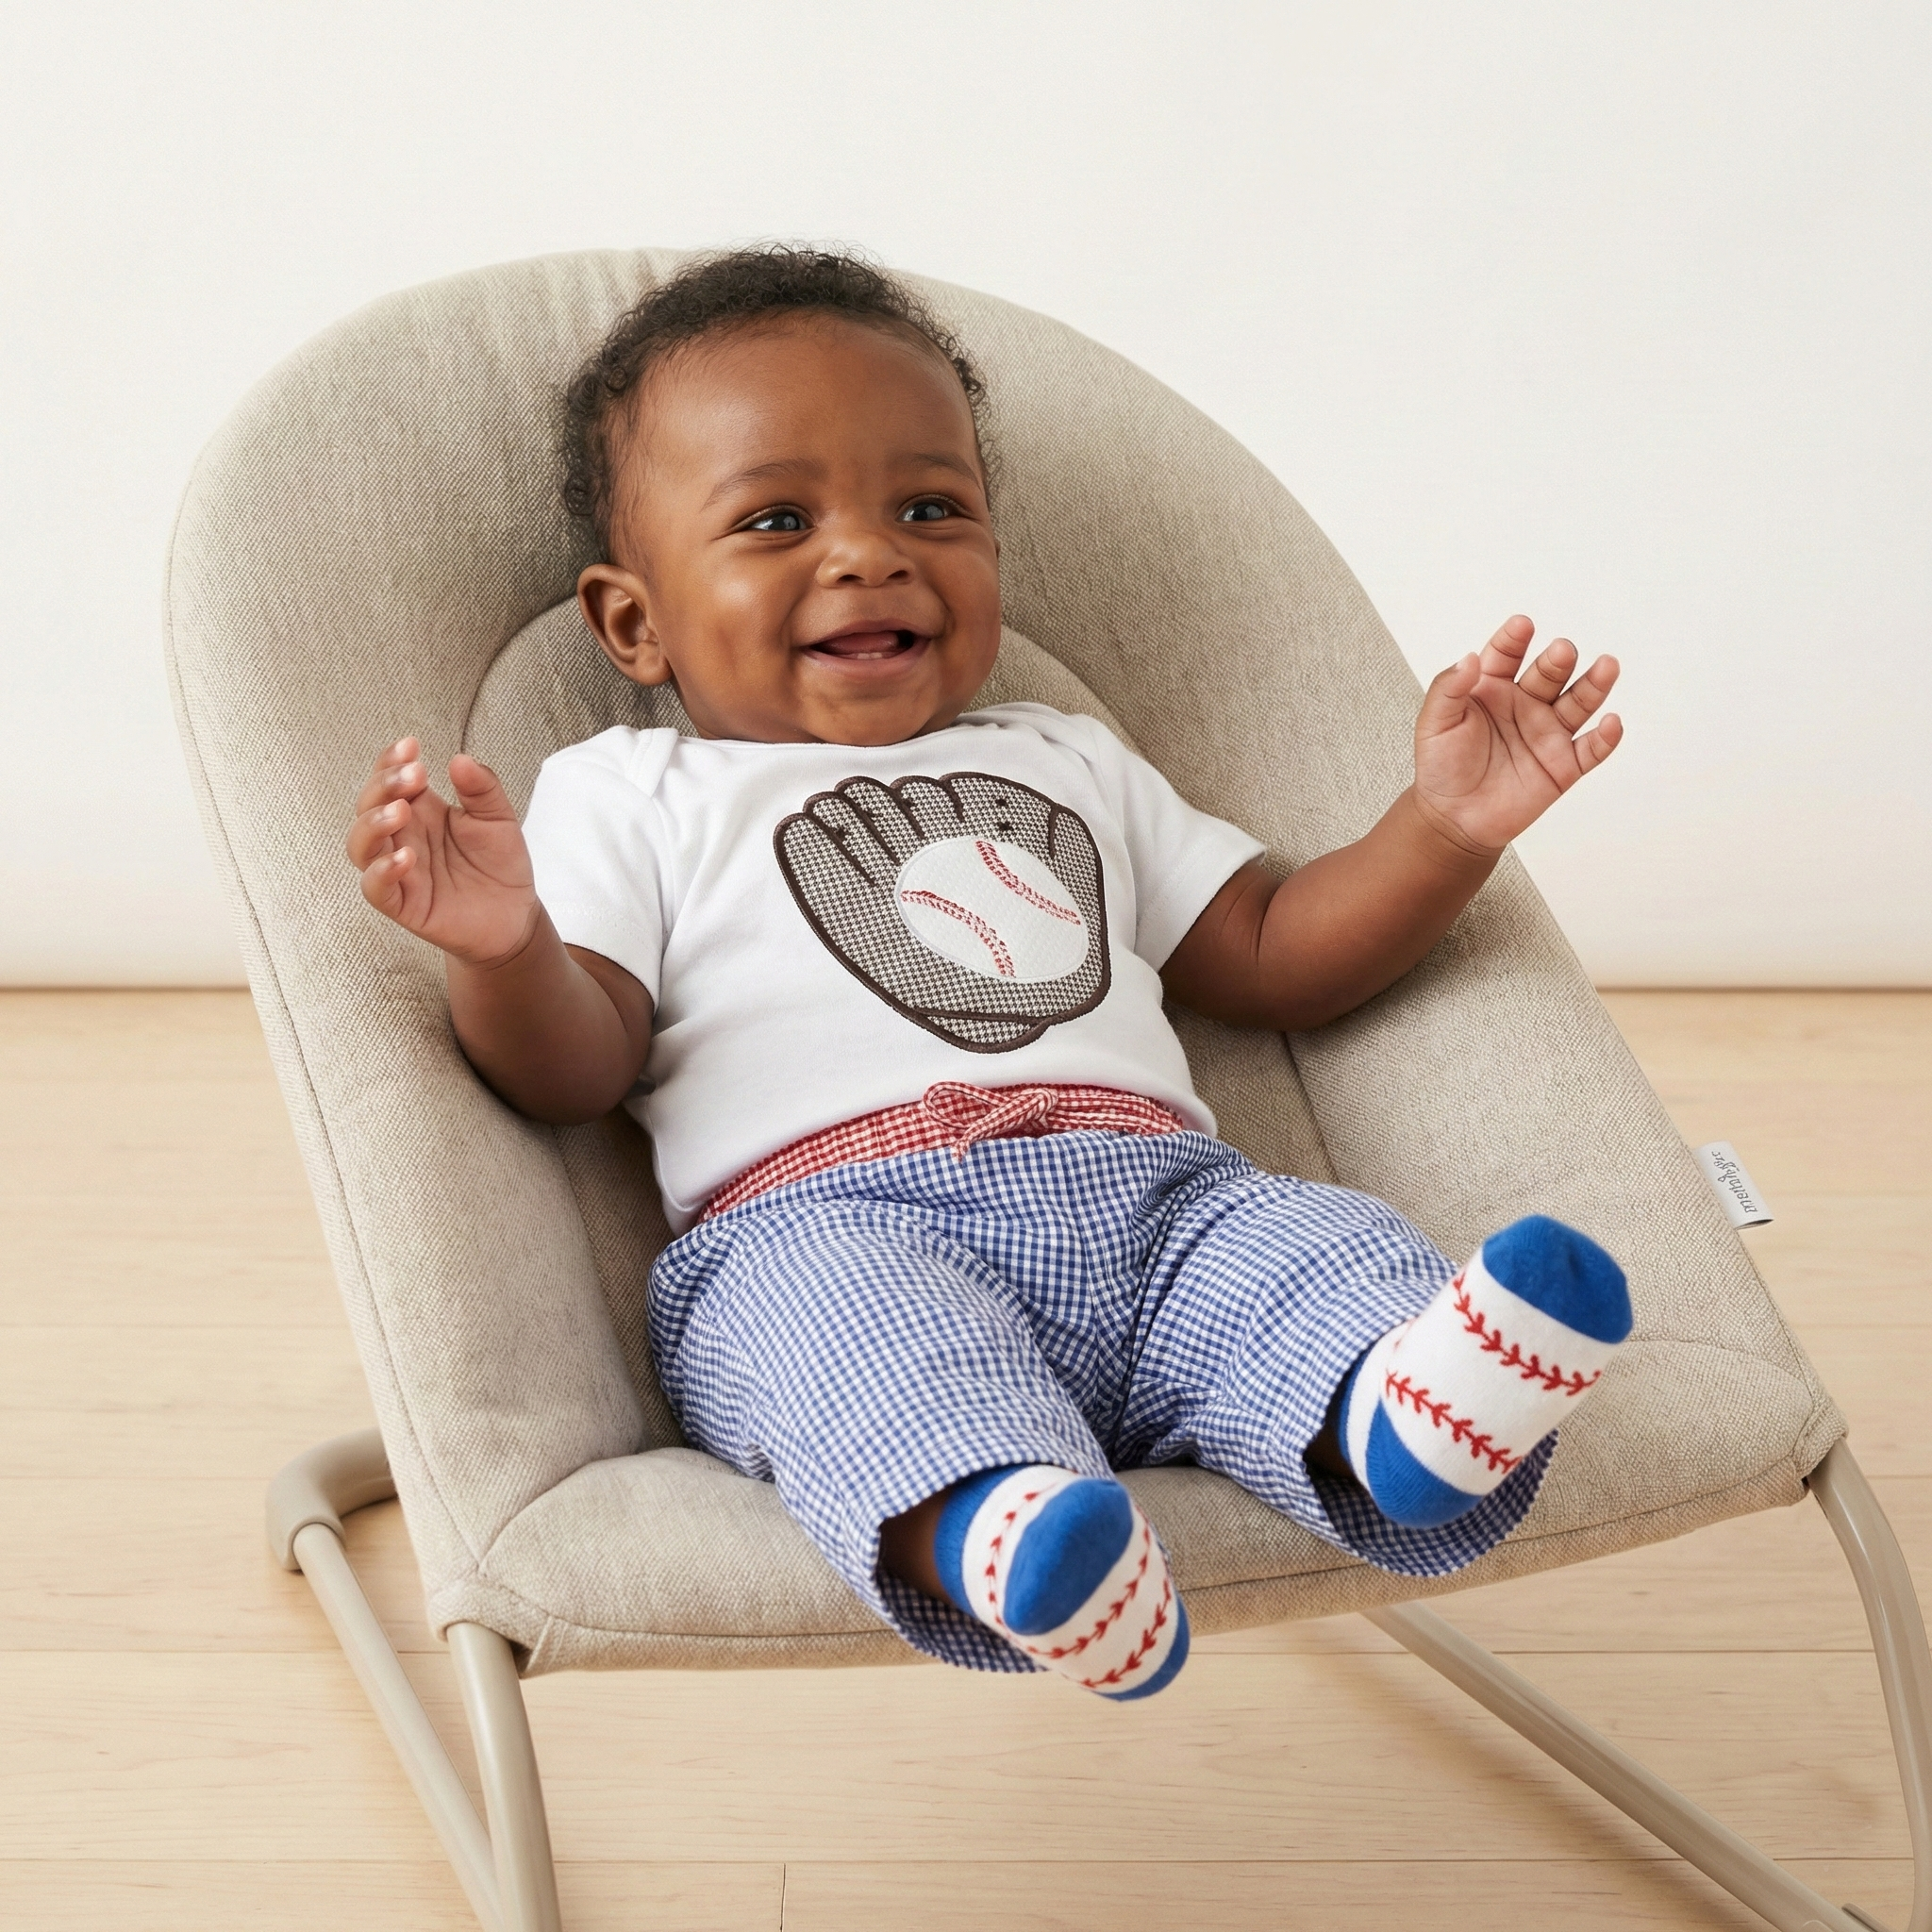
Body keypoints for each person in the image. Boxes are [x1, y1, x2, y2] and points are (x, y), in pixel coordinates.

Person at [343, 248, 1631, 1701]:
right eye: (777, 518)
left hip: (1162, 1206)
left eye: (930, 508)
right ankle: (1013, 1536)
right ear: (634, 620)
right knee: (854, 1358)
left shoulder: (1061, 756)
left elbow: (1277, 953)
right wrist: (505, 943)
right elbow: (571, 1069)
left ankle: (1399, 1419)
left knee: (1307, 1250)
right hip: (826, 1227)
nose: (869, 552)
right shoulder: (633, 793)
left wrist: (1443, 828)